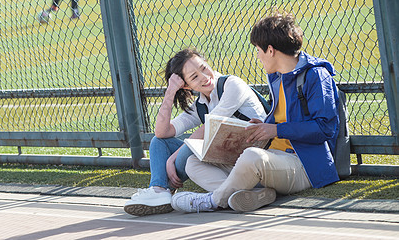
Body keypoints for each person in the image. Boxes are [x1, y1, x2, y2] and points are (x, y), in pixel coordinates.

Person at [171, 11, 340, 213]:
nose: (257, 56)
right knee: (193, 163)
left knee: (252, 157)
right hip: (272, 157)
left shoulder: (316, 75)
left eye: (258, 50)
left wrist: (276, 130)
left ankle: (211, 201)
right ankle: (245, 195)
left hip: (304, 165)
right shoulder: (278, 78)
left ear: (270, 50)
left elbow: (325, 128)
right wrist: (263, 127)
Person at [124, 48, 267, 216]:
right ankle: (159, 189)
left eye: (204, 68)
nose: (205, 77)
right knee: (160, 142)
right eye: (194, 77)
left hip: (260, 155)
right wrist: (170, 91)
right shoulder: (200, 104)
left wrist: (172, 159)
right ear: (186, 85)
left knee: (190, 148)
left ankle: (162, 190)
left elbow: (210, 128)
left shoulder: (232, 84)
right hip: (232, 158)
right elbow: (162, 132)